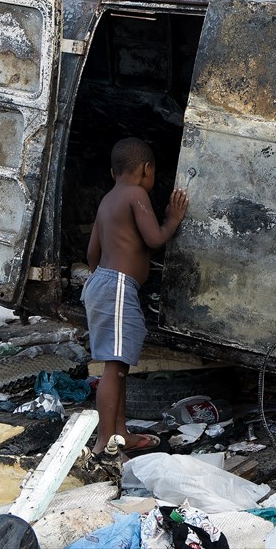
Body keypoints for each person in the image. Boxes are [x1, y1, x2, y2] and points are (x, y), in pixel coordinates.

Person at [84, 137, 188, 454]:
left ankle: (120, 432)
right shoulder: (136, 194)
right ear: (146, 169)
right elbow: (154, 238)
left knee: (121, 366)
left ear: (113, 172)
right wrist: (173, 217)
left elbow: (92, 254)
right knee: (113, 368)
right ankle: (104, 441)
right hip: (116, 287)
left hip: (104, 283)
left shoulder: (107, 201)